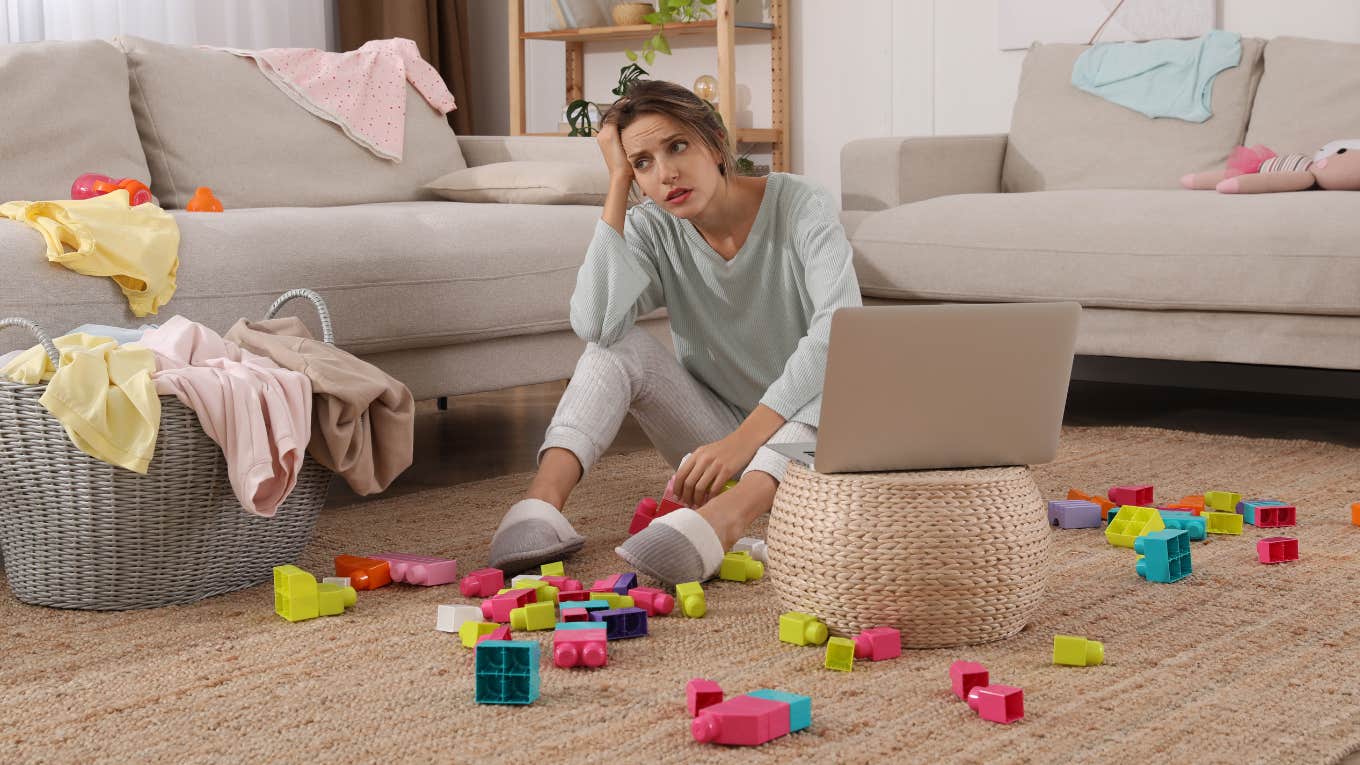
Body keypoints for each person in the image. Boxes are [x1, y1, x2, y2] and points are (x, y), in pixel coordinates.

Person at [487, 79, 862, 584]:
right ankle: (541, 505)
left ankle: (724, 522)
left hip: (806, 441)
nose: (665, 174)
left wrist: (742, 442)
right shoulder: (653, 228)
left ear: (714, 141)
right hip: (714, 445)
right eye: (643, 163)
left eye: (677, 146)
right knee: (614, 348)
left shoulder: (800, 205)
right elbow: (596, 324)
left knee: (835, 372)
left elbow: (839, 332)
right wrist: (617, 185)